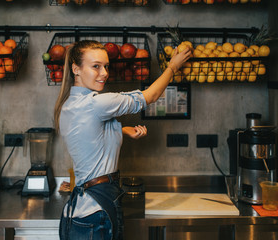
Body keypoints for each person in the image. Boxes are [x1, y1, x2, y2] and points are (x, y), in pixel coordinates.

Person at [54, 40, 191, 240]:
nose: (104, 73)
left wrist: (123, 130)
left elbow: (90, 135)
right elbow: (151, 96)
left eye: (106, 66)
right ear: (76, 69)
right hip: (97, 213)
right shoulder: (97, 103)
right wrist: (173, 66)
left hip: (79, 212)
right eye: (96, 66)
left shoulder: (67, 105)